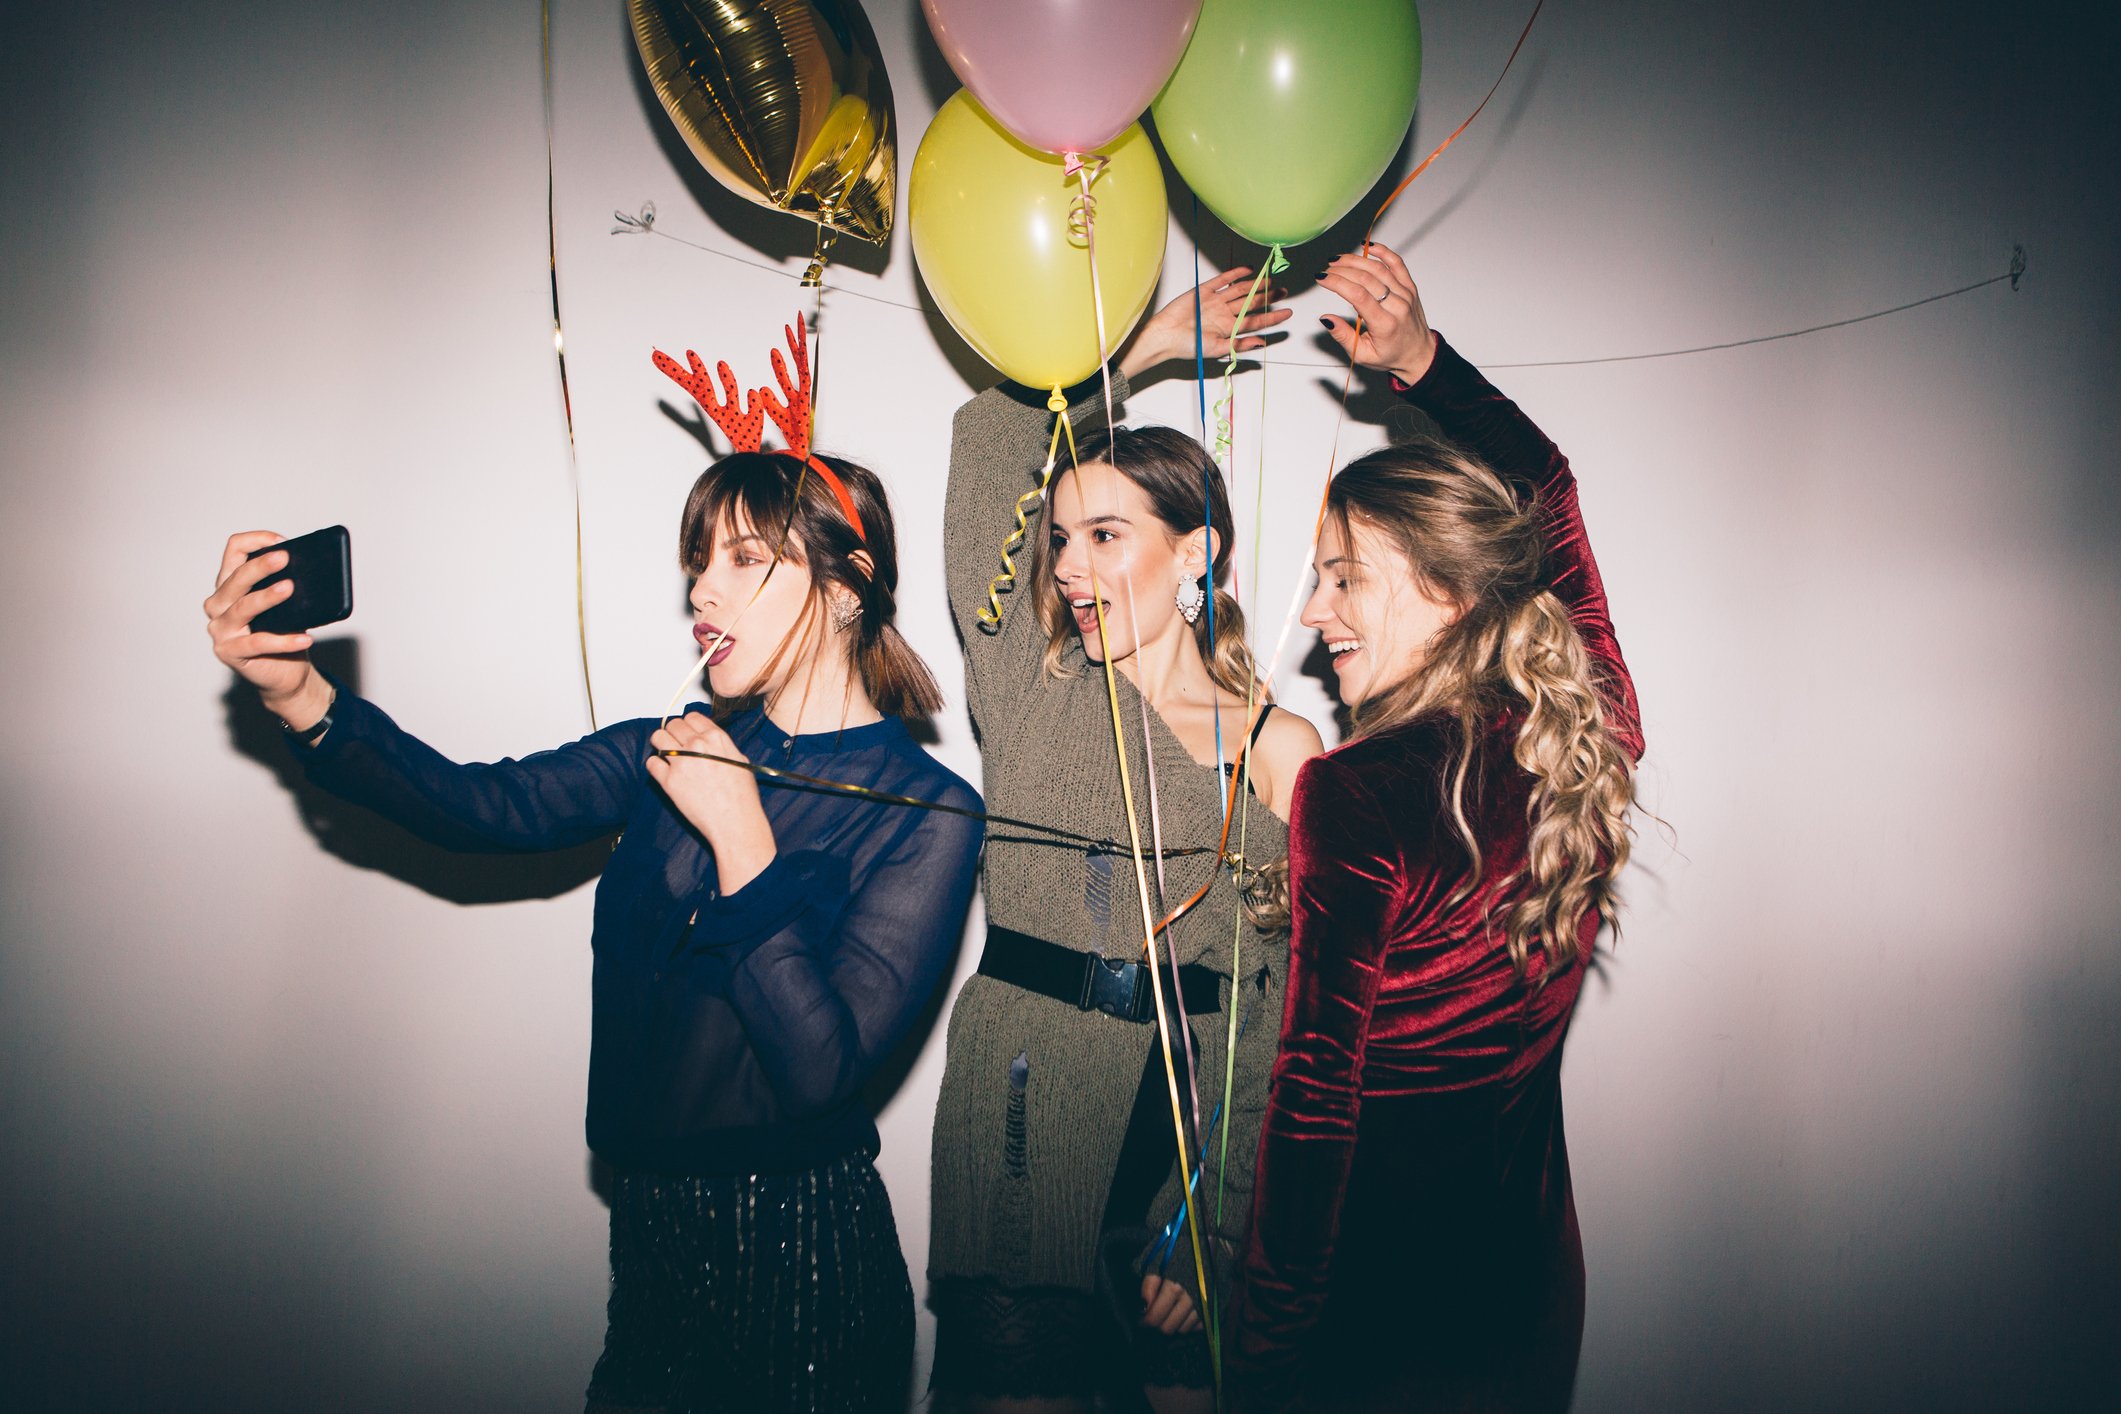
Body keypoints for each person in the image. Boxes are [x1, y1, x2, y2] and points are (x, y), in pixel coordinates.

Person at [203, 406, 983, 1414]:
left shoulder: (929, 811)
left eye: (743, 558)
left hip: (802, 1252)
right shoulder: (661, 749)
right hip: (650, 1235)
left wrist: (745, 838)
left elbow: (819, 1071)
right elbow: (473, 807)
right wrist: (298, 692)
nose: (701, 588)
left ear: (845, 585)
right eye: (699, 560)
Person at [1233, 248, 1645, 1412]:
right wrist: (1423, 363)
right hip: (1527, 1298)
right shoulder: (1576, 740)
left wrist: (1258, 1365)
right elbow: (1547, 491)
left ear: (1450, 593)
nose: (1311, 613)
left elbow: (1312, 1113)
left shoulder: (1358, 789)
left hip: (1379, 1322)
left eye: (1342, 578)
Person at [927, 271, 1323, 1413]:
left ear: (1198, 554)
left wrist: (1224, 1220)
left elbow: (1287, 1015)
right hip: (1021, 1124)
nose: (1066, 567)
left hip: (1186, 1163)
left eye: (1105, 534)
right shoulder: (1030, 683)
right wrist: (1136, 352)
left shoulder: (1281, 750)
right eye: (1060, 539)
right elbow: (991, 435)